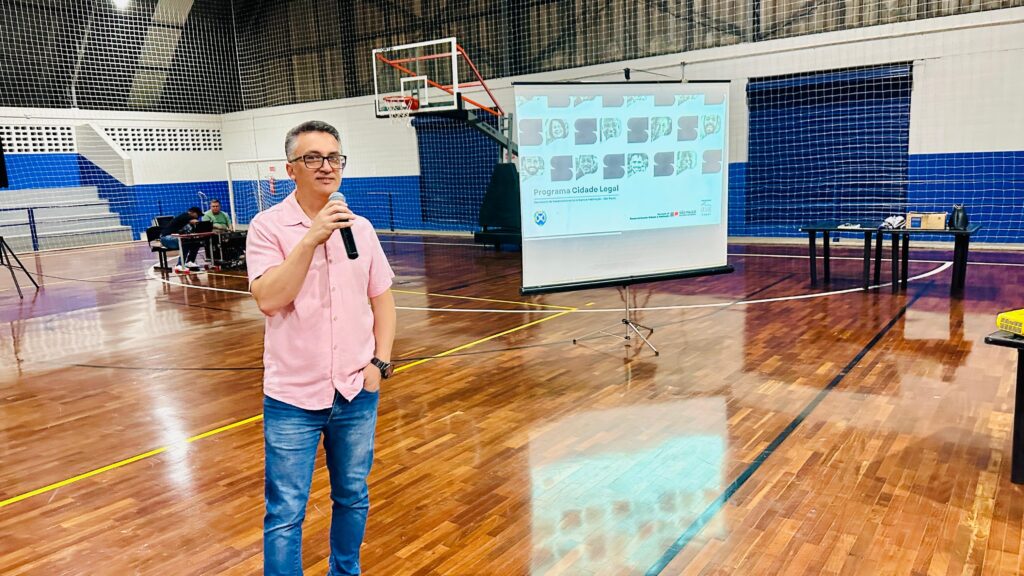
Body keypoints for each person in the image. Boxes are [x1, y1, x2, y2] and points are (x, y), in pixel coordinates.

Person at [246, 120, 396, 576]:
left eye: (334, 157)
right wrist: (311, 238)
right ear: (291, 169)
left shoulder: (362, 229)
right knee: (286, 511)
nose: (326, 166)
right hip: (293, 396)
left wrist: (380, 362)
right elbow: (270, 299)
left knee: (353, 496)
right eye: (313, 158)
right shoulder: (267, 228)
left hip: (355, 391)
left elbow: (383, 300)